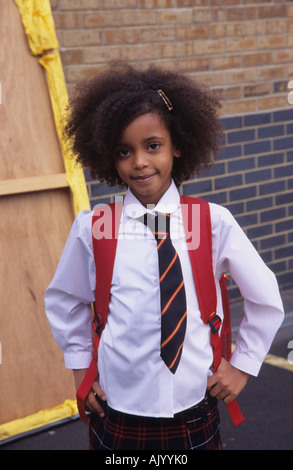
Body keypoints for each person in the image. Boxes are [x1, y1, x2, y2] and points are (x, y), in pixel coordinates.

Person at [45, 61, 284, 451]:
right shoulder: (94, 227)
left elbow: (266, 297)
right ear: (108, 155)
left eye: (152, 146)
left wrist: (241, 366)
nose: (139, 161)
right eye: (124, 151)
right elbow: (65, 300)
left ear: (178, 145)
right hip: (117, 411)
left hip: (193, 409)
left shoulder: (213, 222)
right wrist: (80, 374)